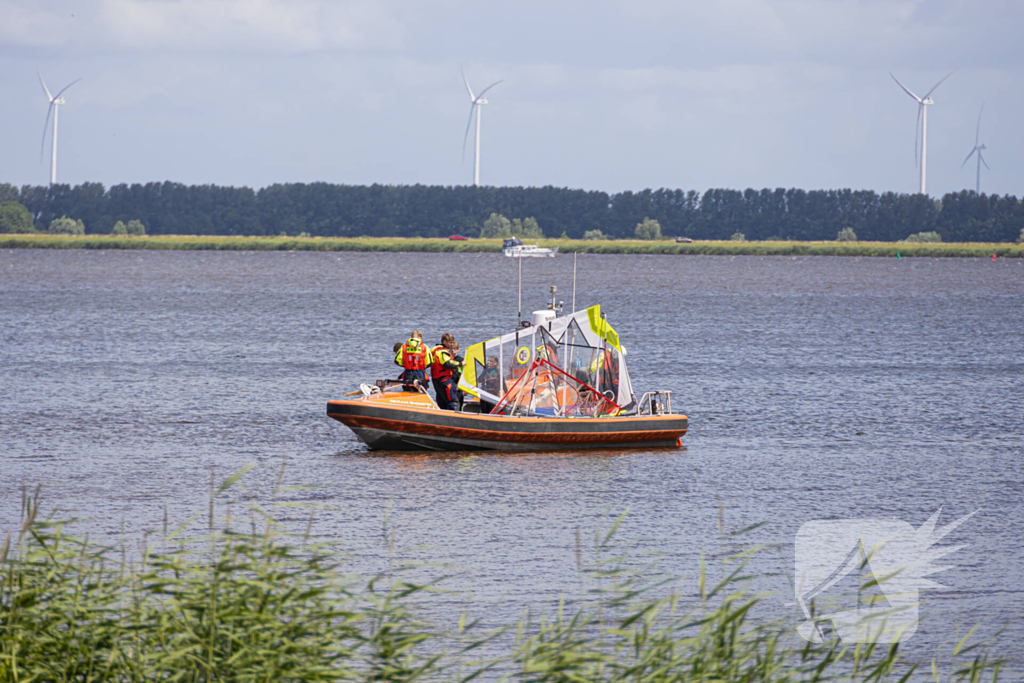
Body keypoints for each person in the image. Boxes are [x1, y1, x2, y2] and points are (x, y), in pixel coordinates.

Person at [430, 333, 464, 410]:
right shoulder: (443, 351)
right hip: (445, 379)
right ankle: (455, 418)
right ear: (444, 341)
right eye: (450, 342)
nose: (451, 344)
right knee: (453, 400)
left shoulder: (435, 351)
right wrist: (460, 363)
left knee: (442, 400)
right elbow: (447, 363)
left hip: (436, 379)